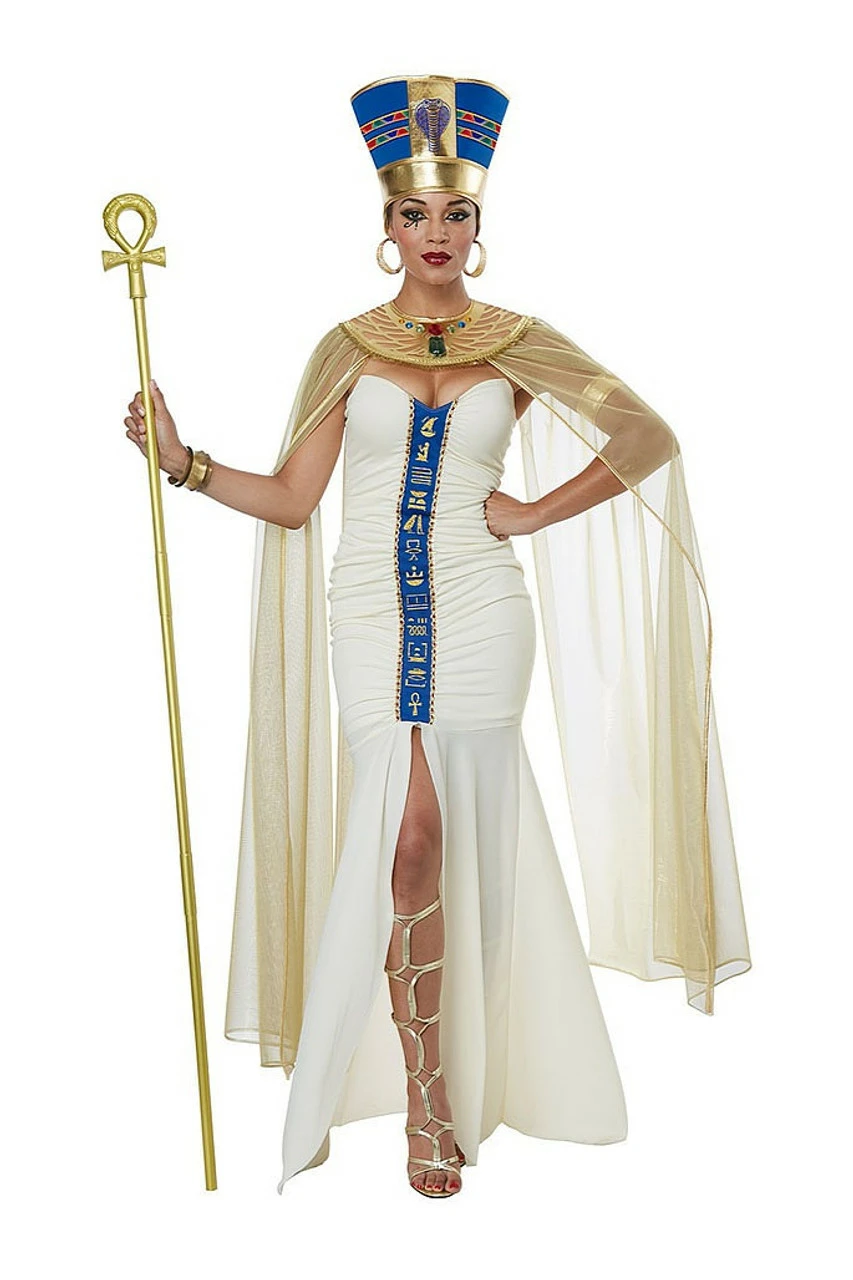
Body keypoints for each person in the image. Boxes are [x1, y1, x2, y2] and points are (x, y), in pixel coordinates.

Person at [123, 73, 751, 1200]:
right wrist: (185, 463)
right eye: (415, 214)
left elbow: (645, 434)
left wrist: (533, 512)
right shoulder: (345, 348)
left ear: (476, 225)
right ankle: (426, 1094)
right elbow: (295, 501)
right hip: (368, 617)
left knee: (453, 831)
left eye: (455, 214)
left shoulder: (517, 344)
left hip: (480, 615)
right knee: (408, 834)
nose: (437, 233)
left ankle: (441, 1098)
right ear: (387, 225)